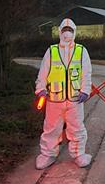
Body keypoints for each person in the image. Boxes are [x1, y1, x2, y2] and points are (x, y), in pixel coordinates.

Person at [34, 18, 92, 169]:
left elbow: (87, 74)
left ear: (75, 32)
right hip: (54, 99)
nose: (67, 33)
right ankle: (47, 154)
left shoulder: (81, 51)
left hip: (75, 99)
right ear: (60, 32)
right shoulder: (52, 51)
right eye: (65, 30)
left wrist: (85, 91)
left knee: (77, 128)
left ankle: (79, 154)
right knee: (51, 128)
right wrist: (40, 89)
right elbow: (43, 72)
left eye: (70, 30)